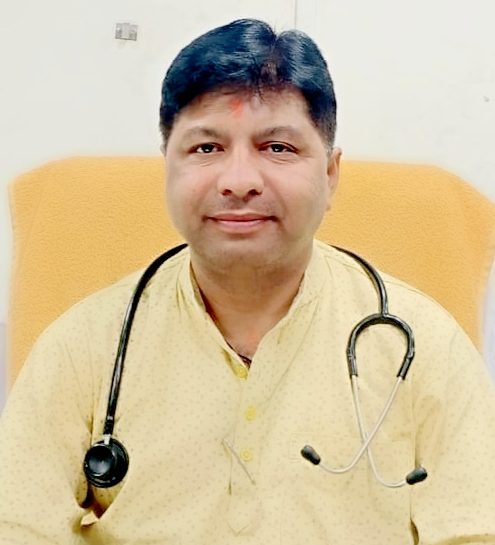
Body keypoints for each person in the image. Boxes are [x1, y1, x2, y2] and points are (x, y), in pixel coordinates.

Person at [0, 18, 494, 545]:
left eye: (277, 147)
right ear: (167, 167)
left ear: (330, 175)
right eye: (206, 148)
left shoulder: (426, 350)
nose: (238, 182)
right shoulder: (83, 347)